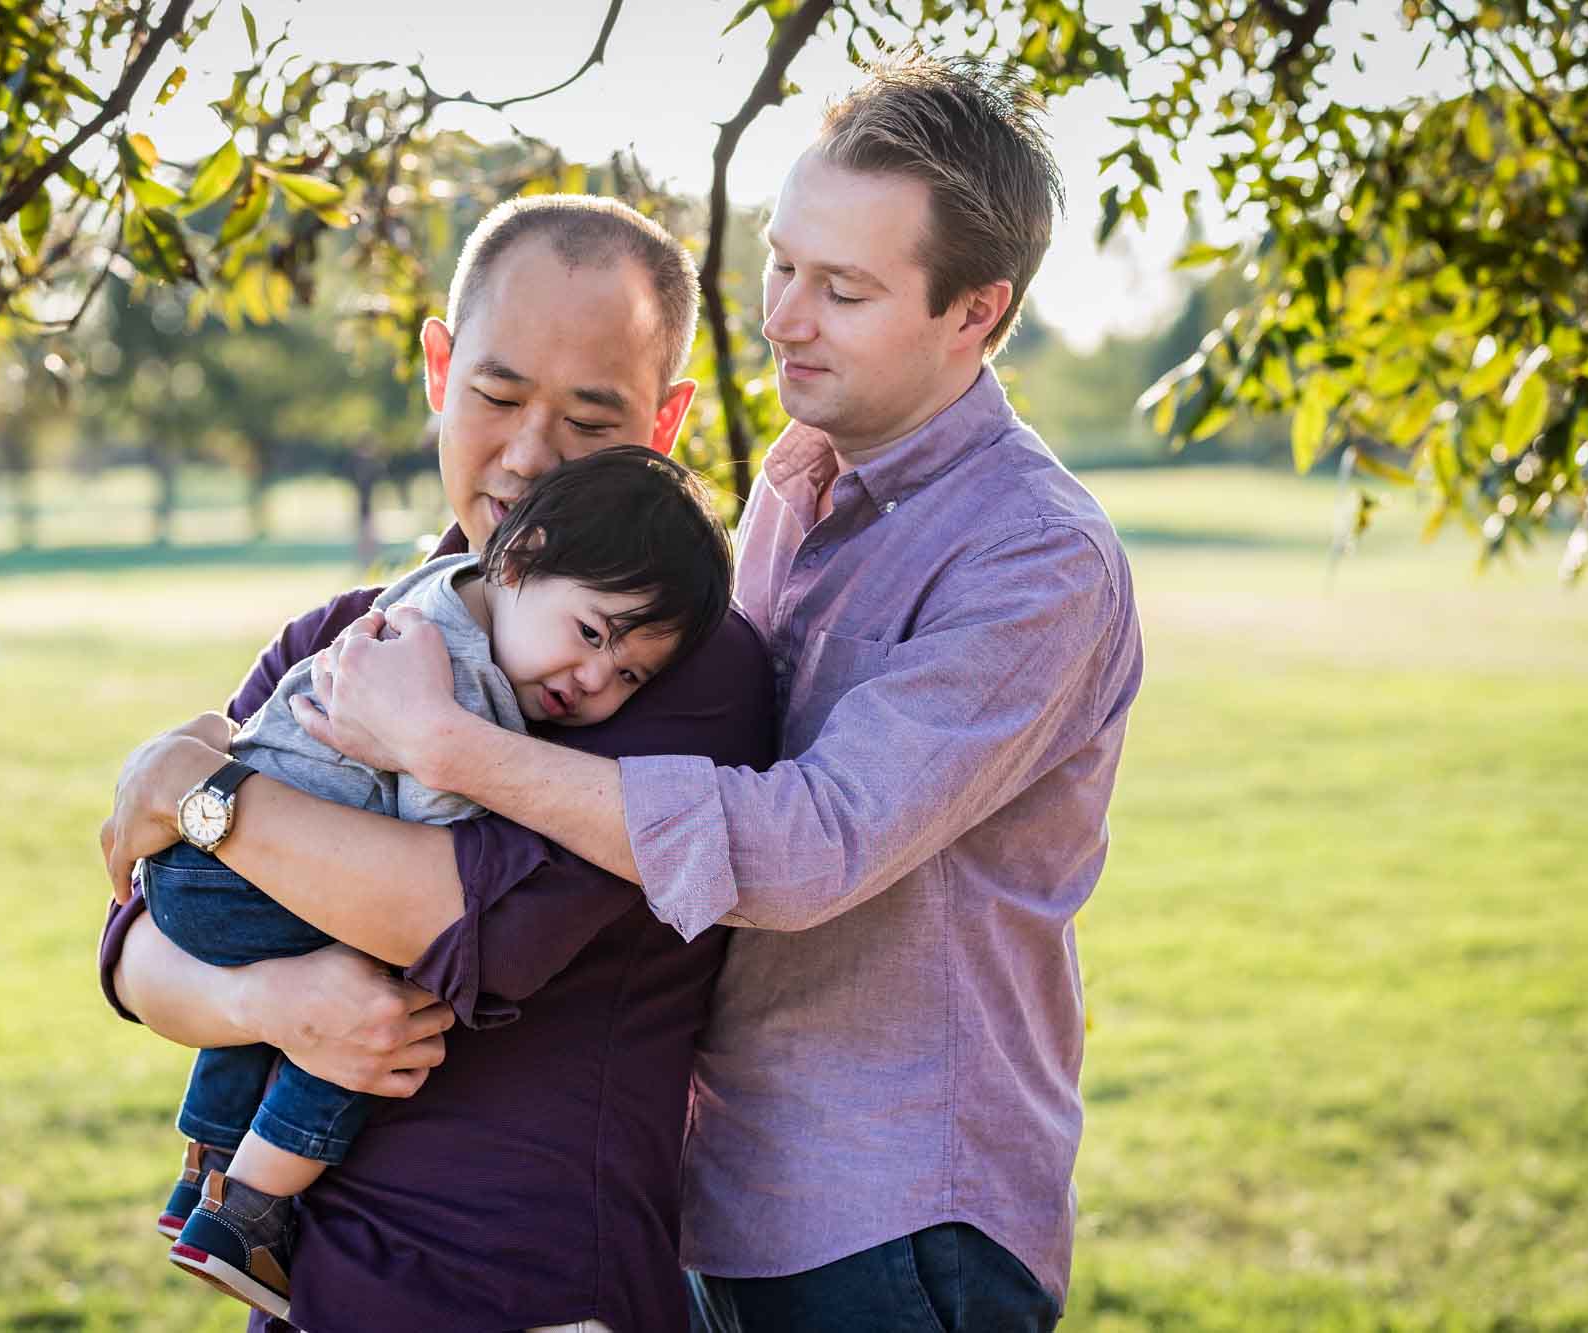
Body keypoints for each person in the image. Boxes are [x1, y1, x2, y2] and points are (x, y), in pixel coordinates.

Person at [292, 55, 1145, 1332]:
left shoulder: (1031, 557)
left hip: (899, 1222)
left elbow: (807, 846)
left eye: (842, 290)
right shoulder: (791, 496)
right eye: (784, 265)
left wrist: (445, 745)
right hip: (718, 1192)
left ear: (973, 312)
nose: (786, 318)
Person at [96, 194, 775, 1333]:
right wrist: (269, 998)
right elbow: (136, 942)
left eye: (590, 419)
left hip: (528, 1285)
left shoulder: (664, 665)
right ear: (438, 369)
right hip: (307, 1287)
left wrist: (198, 790)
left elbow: (466, 924)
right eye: (497, 395)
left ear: (662, 425)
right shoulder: (345, 632)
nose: (526, 457)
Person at [146, 447, 733, 1318]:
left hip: (199, 866)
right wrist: (452, 755)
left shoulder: (439, 591)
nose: (594, 679)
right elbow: (440, 860)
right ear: (525, 553)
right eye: (593, 633)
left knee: (317, 975)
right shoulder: (463, 676)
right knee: (393, 983)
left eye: (630, 673)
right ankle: (251, 1211)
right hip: (233, 873)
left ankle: (207, 1164)